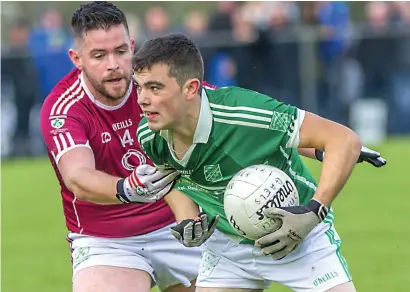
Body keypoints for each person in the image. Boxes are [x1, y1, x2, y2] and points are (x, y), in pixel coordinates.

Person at [134, 33, 386, 292]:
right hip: (227, 249)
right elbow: (175, 178)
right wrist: (188, 219)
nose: (142, 98)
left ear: (190, 88)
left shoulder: (245, 111)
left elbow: (343, 139)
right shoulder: (149, 134)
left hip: (298, 235)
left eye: (155, 88)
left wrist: (313, 212)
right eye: (139, 87)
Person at [40, 3, 202, 292]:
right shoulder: (64, 107)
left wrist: (309, 144)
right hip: (107, 242)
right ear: (77, 58)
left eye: (120, 51)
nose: (113, 64)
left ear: (132, 46)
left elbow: (234, 116)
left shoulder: (159, 82)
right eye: (99, 56)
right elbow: (77, 175)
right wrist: (128, 188)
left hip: (180, 227)